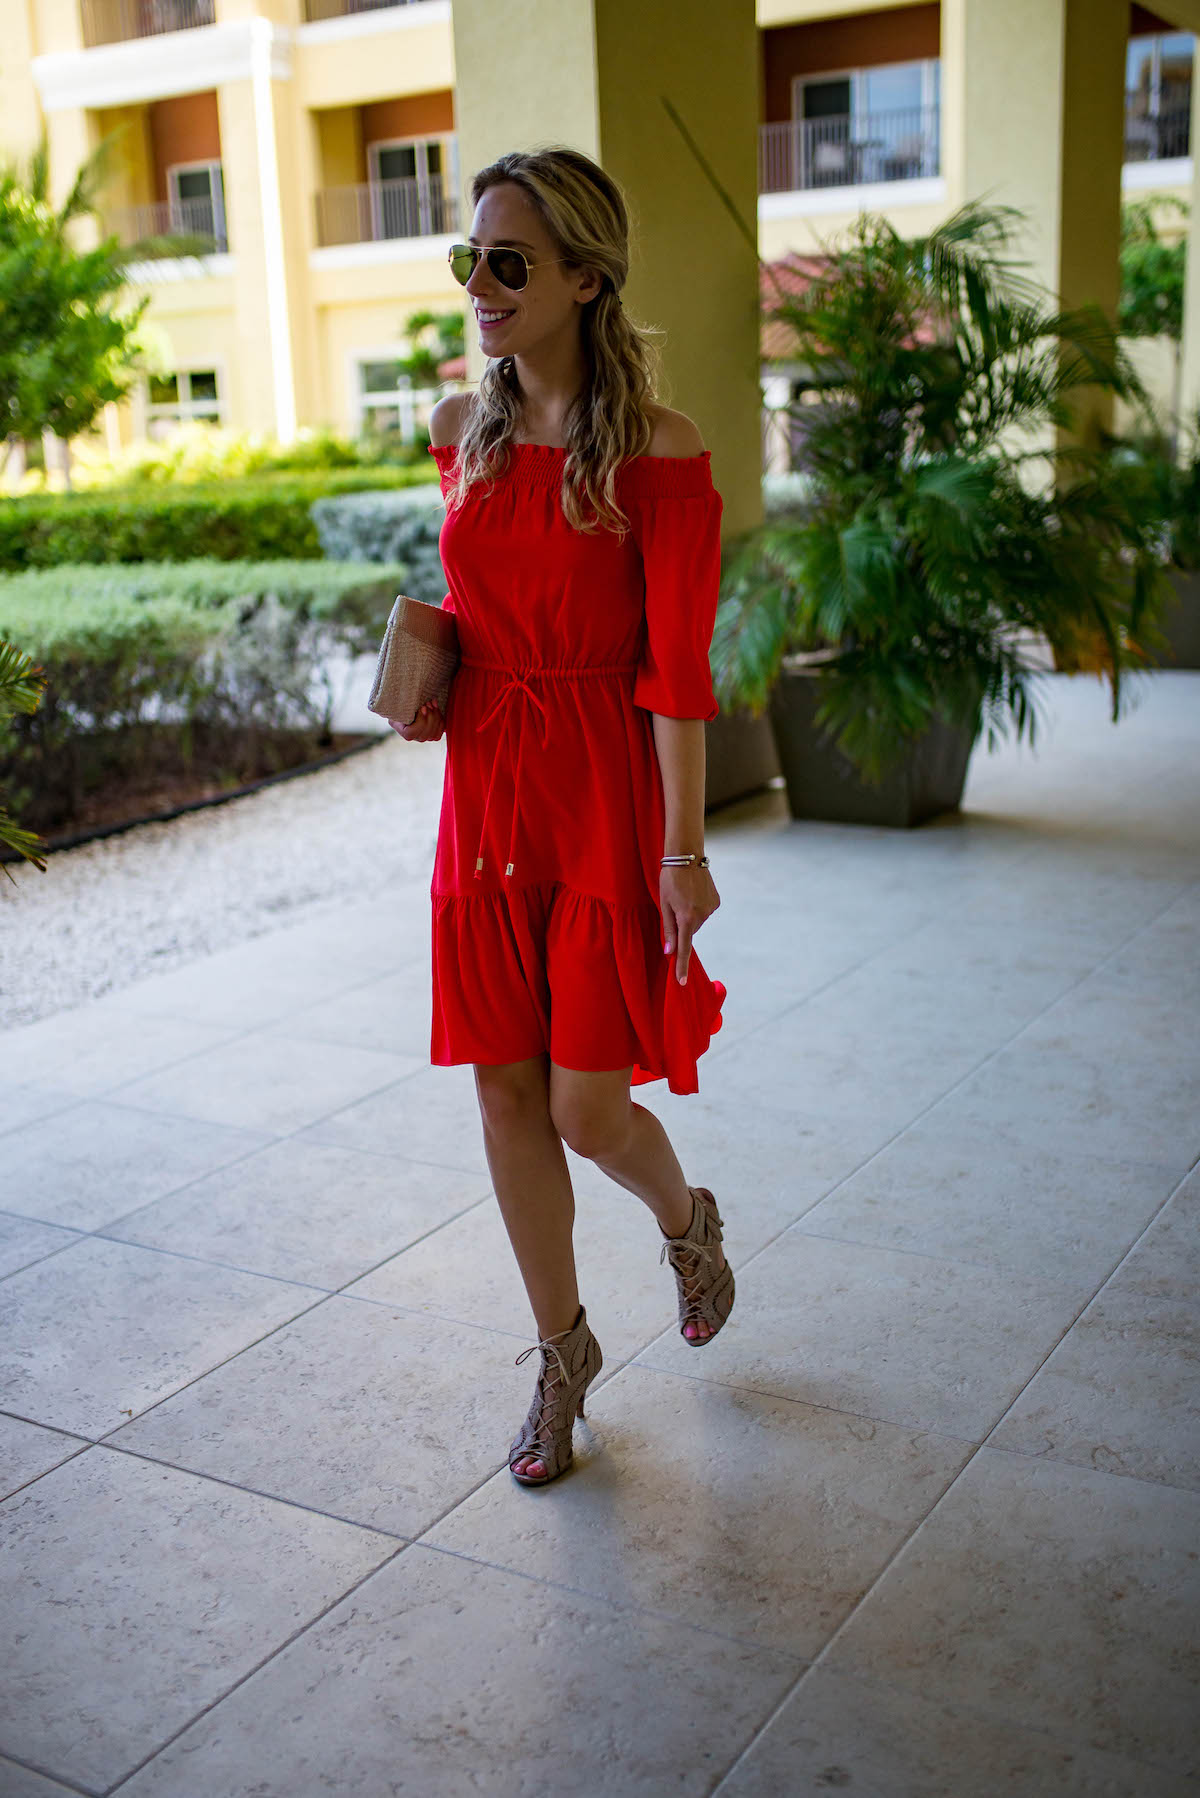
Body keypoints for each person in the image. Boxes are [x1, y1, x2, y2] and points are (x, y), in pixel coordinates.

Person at [391, 146, 733, 1489]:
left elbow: (676, 674)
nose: (479, 284)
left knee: (591, 1107)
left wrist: (683, 850)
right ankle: (561, 1352)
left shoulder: (662, 451)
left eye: (509, 262)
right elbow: (480, 608)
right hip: (486, 789)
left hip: (603, 790)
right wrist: (433, 672)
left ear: (588, 278)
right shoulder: (460, 435)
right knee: (505, 1090)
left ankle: (685, 1212)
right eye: (468, 259)